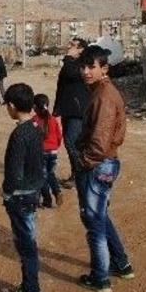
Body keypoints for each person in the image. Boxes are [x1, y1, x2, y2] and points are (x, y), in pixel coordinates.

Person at [74, 45, 134, 292]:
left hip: (98, 164)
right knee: (100, 217)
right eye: (83, 66)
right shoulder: (100, 91)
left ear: (104, 68)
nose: (86, 71)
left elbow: (99, 142)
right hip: (103, 163)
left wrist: (84, 163)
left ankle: (100, 278)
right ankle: (121, 264)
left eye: (91, 67)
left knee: (94, 222)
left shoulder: (104, 97)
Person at [0, 83, 45, 292]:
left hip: (20, 196)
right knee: (28, 242)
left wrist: (7, 193)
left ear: (12, 106)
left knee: (26, 246)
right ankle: (28, 287)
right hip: (32, 192)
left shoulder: (19, 134)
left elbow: (14, 172)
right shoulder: (36, 127)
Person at [53, 37, 89, 189]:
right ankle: (76, 174)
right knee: (71, 143)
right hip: (68, 109)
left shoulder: (83, 64)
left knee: (71, 141)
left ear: (81, 49)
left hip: (78, 110)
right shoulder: (70, 63)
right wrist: (57, 109)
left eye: (73, 45)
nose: (69, 47)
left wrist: (68, 58)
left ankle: (82, 174)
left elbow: (71, 74)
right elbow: (62, 87)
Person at [33, 93, 63, 208]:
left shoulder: (34, 121)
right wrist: (55, 147)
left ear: (34, 107)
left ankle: (47, 199)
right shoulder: (53, 119)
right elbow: (59, 136)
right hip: (53, 152)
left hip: (41, 153)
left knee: (43, 177)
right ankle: (57, 191)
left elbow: (32, 139)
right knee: (50, 174)